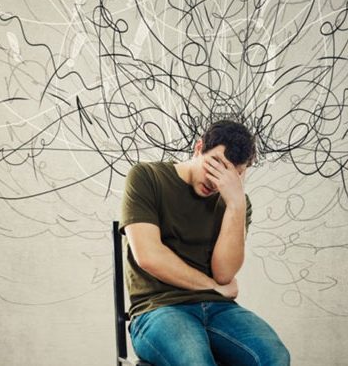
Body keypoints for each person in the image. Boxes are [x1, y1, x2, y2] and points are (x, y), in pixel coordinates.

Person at [120, 120, 290, 366]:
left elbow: (224, 273)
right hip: (158, 309)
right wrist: (213, 287)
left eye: (231, 174)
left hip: (219, 309)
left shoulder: (235, 202)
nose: (216, 181)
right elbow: (149, 257)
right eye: (215, 165)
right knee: (197, 362)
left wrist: (236, 205)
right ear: (198, 148)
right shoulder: (147, 177)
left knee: (273, 358)